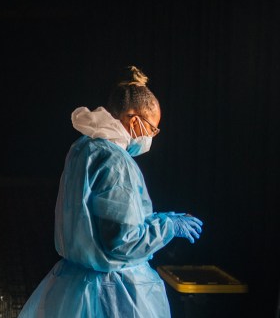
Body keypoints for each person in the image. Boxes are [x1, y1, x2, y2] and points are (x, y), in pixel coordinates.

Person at [18, 65, 203, 318]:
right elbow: (122, 244)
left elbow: (101, 222)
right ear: (135, 121)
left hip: (75, 285)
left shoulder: (83, 148)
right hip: (111, 289)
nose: (151, 136)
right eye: (152, 129)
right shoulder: (116, 162)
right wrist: (167, 227)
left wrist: (155, 219)